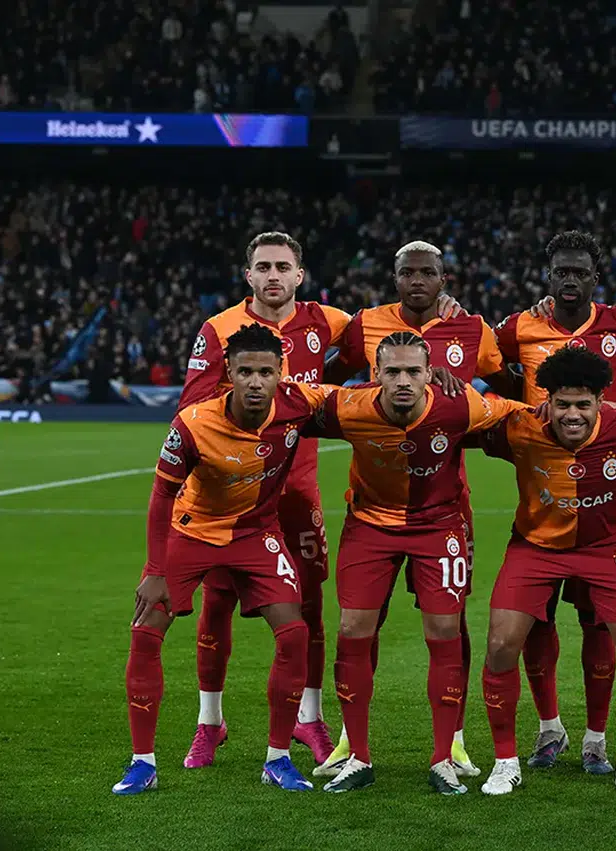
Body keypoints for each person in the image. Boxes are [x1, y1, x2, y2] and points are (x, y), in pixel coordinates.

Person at [113, 324, 334, 795]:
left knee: (294, 633)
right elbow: (161, 497)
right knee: (146, 631)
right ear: (228, 373)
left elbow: (361, 399)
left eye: (266, 372)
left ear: (281, 373)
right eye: (246, 372)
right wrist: (155, 571)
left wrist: (428, 380)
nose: (256, 382)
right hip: (192, 531)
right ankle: (142, 763)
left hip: (256, 534)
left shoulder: (299, 404)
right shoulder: (193, 423)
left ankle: (277, 758)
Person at [305, 332, 526, 794]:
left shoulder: (461, 404)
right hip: (369, 526)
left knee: (445, 632)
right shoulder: (348, 406)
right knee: (352, 629)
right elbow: (292, 402)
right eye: (392, 372)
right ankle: (358, 757)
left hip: (438, 527)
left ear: (430, 374)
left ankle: (443, 758)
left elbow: (519, 414)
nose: (403, 381)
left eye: (412, 371)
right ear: (376, 375)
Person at [318, 239, 504, 779]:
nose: (417, 281)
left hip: (445, 507)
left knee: (449, 623)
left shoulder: (471, 329)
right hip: (372, 510)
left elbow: (511, 390)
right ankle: (352, 743)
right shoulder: (365, 326)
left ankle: (455, 742)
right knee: (361, 621)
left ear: (444, 279)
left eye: (427, 273)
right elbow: (326, 381)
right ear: (395, 278)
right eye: (408, 273)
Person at [491, 231, 616, 775]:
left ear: (596, 277)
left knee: (600, 627)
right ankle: (550, 729)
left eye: (580, 272)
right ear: (549, 276)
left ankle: (595, 739)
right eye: (561, 272)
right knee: (533, 627)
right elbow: (484, 364)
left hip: (600, 489)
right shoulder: (517, 327)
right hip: (540, 480)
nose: (570, 280)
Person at [176, 232, 349, 769]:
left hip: (297, 490)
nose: (273, 275)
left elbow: (389, 334)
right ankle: (210, 722)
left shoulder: (326, 322)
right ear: (248, 275)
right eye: (264, 267)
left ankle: (309, 718)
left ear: (300, 275)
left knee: (310, 604)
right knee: (218, 602)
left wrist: (443, 307)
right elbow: (191, 408)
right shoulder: (219, 329)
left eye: (283, 267)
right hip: (234, 496)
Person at [476, 346, 616, 798]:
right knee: (501, 644)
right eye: (562, 404)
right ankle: (505, 763)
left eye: (583, 404)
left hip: (605, 548)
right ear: (548, 401)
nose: (572, 415)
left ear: (601, 401)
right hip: (534, 547)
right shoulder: (520, 427)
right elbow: (462, 426)